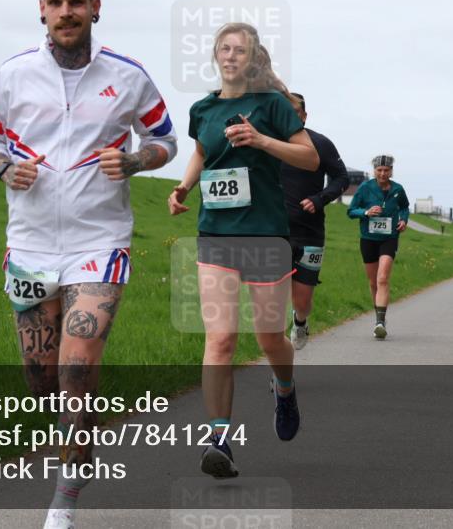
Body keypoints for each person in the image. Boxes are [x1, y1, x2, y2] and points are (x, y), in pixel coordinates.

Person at [0, 0, 178, 529]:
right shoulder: (13, 75)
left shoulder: (128, 76)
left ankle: (64, 501)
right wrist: (3, 168)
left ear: (95, 7)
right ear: (41, 9)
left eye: (77, 2)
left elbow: (164, 139)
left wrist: (135, 160)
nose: (67, 12)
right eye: (56, 3)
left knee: (78, 364)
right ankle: (78, 448)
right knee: (43, 381)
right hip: (31, 243)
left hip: (99, 240)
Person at [168, 23, 318, 479]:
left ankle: (285, 387)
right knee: (220, 338)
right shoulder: (204, 108)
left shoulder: (272, 105)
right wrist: (183, 186)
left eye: (241, 50)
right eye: (225, 49)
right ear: (215, 55)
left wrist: (261, 140)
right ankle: (218, 439)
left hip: (265, 234)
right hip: (215, 234)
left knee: (270, 337)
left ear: (252, 59)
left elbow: (308, 157)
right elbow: (200, 151)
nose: (232, 56)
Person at [281, 92, 350, 350]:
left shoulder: (320, 143)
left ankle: (300, 321)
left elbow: (341, 178)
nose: (289, 117)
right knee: (271, 305)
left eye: (295, 112)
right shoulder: (267, 143)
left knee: (301, 301)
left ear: (304, 115)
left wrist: (320, 199)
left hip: (308, 232)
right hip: (273, 232)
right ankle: (279, 369)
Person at [347, 155, 410, 339]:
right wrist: (366, 212)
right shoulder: (365, 188)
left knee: (383, 278)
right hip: (368, 239)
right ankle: (378, 317)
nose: (383, 173)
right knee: (374, 282)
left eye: (386, 170)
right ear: (374, 170)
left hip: (389, 238)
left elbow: (405, 207)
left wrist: (404, 220)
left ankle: (380, 322)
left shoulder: (398, 189)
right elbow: (351, 211)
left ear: (391, 171)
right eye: (379, 170)